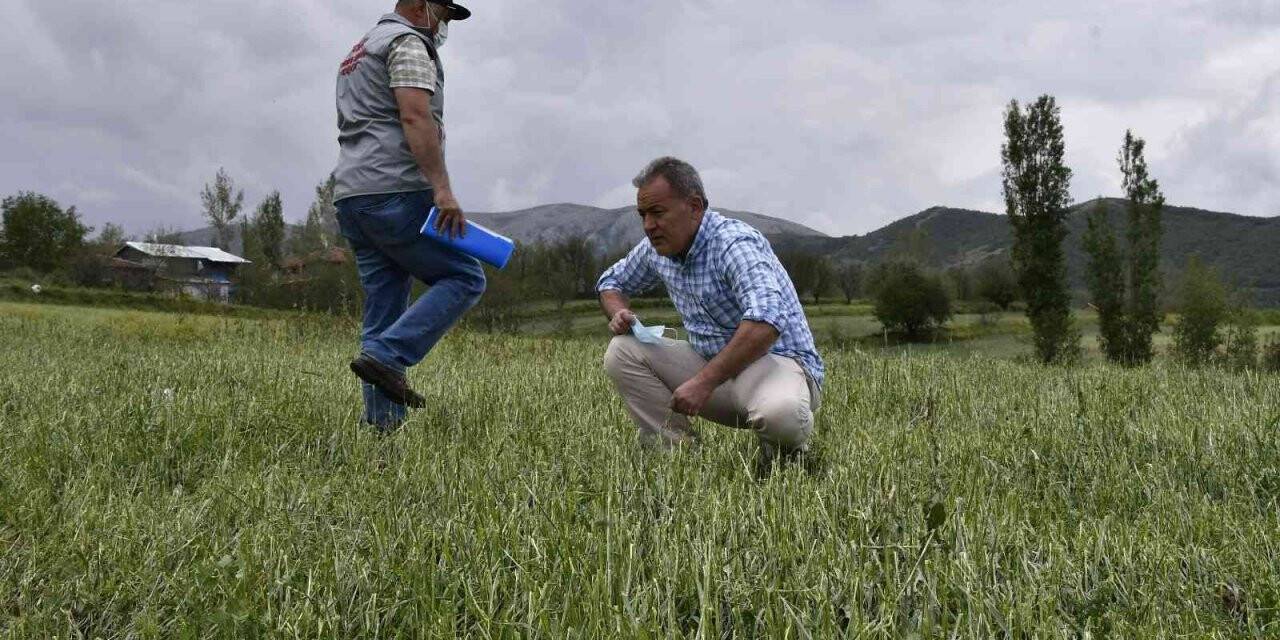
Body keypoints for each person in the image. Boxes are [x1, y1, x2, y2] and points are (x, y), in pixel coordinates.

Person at [597, 157, 825, 464]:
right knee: (622, 351)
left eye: (657, 213)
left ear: (694, 207)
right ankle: (677, 458)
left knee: (782, 416)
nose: (648, 225)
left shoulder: (733, 243)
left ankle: (784, 462)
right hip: (713, 369)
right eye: (643, 215)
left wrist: (703, 383)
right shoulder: (658, 248)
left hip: (773, 364)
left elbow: (766, 322)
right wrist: (618, 312)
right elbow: (610, 283)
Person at [331, 0, 484, 431]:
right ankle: (387, 356)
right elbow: (415, 116)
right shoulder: (407, 44)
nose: (444, 25)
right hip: (394, 189)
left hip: (353, 196)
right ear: (420, 5)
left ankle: (382, 429)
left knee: (384, 310)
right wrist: (442, 189)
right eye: (444, 14)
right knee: (464, 277)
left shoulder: (360, 49)